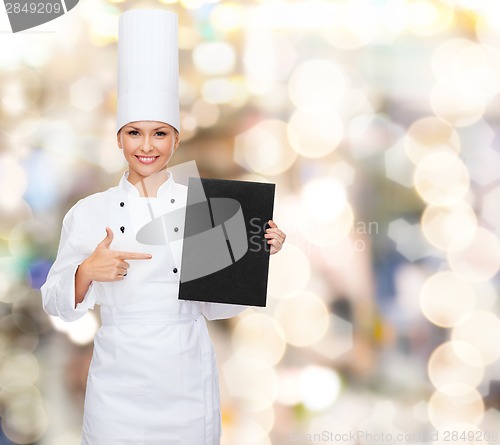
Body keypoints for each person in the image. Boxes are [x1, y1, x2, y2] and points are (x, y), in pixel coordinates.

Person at [41, 9, 286, 445]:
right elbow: (56, 303)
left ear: (176, 138)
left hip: (186, 380)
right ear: (118, 139)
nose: (146, 146)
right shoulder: (89, 212)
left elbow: (218, 307)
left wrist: (257, 251)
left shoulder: (206, 207)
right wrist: (85, 273)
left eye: (159, 134)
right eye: (134, 133)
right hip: (118, 386)